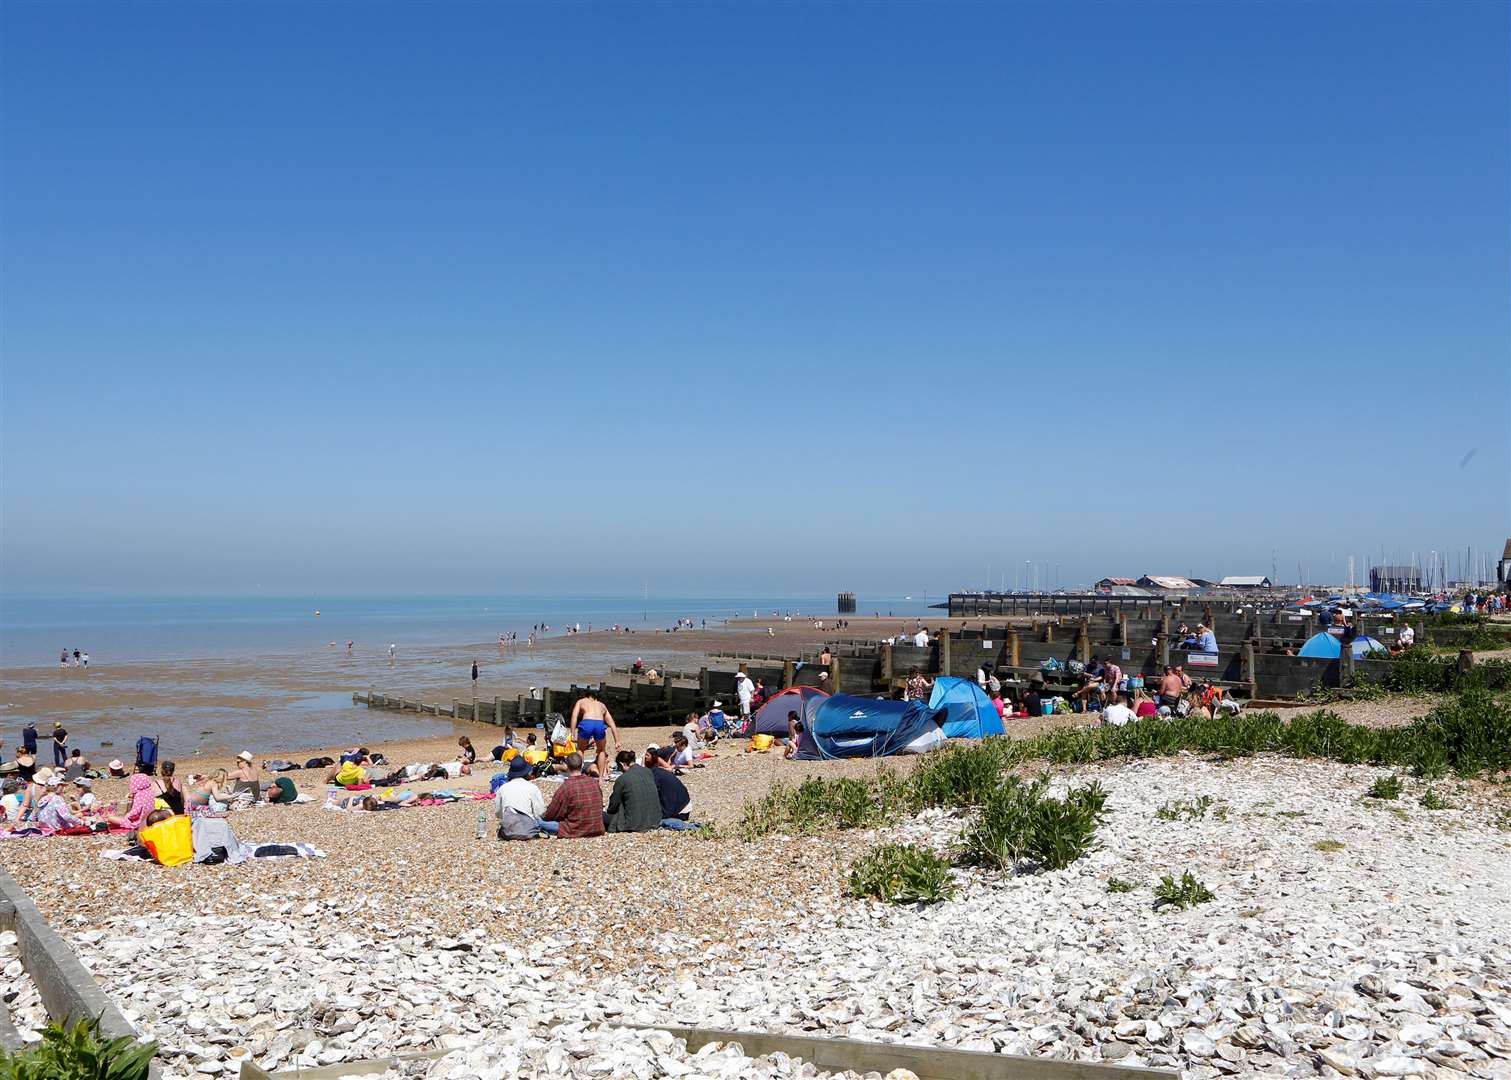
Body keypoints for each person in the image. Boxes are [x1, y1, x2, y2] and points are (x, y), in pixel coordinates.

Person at [541, 753, 604, 838]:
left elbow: (552, 813)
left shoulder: (566, 787)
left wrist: (544, 817)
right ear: (582, 765)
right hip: (596, 827)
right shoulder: (594, 782)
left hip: (574, 829)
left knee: (538, 822)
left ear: (566, 766)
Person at [605, 750, 662, 833]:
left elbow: (613, 804)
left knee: (602, 816)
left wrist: (611, 813)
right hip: (655, 819)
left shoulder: (623, 779)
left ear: (622, 764)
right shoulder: (648, 771)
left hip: (635, 823)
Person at [495, 755, 549, 837]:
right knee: (549, 823)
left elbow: (498, 814)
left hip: (508, 830)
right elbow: (539, 812)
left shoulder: (502, 788)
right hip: (529, 829)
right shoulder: (532, 788)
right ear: (527, 772)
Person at [569, 689, 620, 774]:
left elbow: (574, 717)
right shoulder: (602, 705)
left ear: (587, 695)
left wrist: (572, 733)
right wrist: (617, 741)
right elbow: (612, 724)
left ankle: (579, 774)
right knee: (601, 750)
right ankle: (601, 777)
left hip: (587, 723)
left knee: (580, 749)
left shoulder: (581, 701)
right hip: (599, 724)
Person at [646, 747, 697, 829]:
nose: (645, 757)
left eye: (647, 755)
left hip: (679, 812)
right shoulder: (660, 772)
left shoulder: (654, 775)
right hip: (685, 806)